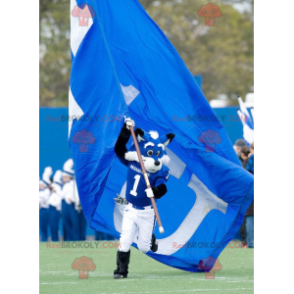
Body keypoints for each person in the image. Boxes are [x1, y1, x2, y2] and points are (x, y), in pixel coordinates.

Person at [113, 118, 175, 279]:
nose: (154, 158)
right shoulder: (133, 161)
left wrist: (155, 191)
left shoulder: (160, 170)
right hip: (131, 209)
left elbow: (163, 187)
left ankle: (150, 238)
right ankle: (121, 270)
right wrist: (126, 131)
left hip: (147, 212)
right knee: (125, 239)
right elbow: (119, 149)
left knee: (144, 248)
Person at [61, 159, 79, 241]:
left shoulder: (73, 183)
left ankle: (74, 238)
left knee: (73, 222)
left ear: (69, 176)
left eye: (65, 177)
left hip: (71, 204)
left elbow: (76, 194)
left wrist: (73, 199)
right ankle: (68, 239)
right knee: (66, 221)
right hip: (65, 204)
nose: (63, 178)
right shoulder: (64, 185)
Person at [48, 170, 63, 242]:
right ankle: (54, 239)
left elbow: (59, 199)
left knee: (55, 225)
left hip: (55, 209)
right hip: (51, 209)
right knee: (52, 225)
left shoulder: (58, 189)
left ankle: (56, 239)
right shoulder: (51, 192)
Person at [39, 167, 53, 242]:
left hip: (45, 210)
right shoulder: (41, 191)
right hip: (41, 210)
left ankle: (46, 238)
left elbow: (44, 198)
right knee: (42, 226)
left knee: (46, 225)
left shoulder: (47, 191)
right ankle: (44, 238)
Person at [245, 142, 254, 248]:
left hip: (251, 191)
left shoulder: (249, 161)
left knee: (250, 217)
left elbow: (245, 175)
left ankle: (251, 243)